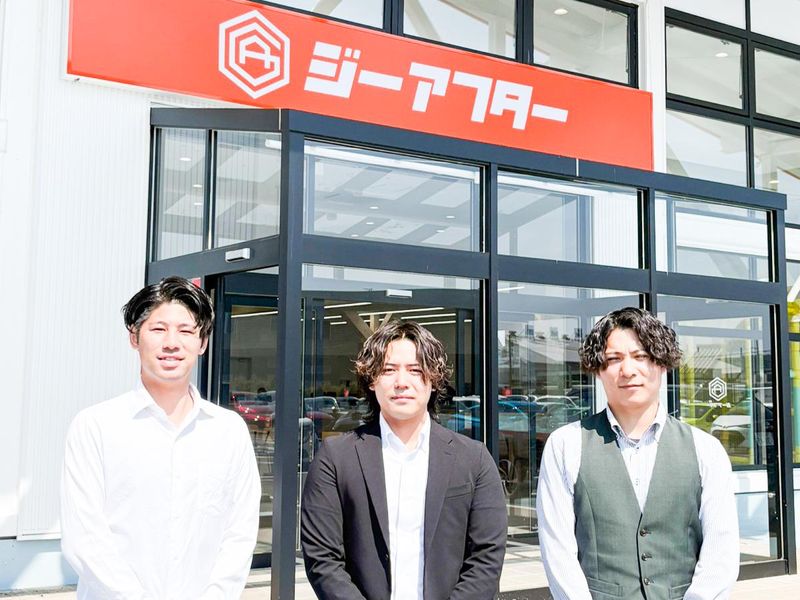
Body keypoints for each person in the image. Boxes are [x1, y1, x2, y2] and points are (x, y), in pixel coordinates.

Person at [61, 276, 261, 600]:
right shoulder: (96, 426)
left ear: (202, 343)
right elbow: (84, 538)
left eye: (186, 331)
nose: (172, 343)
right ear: (134, 337)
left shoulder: (228, 431)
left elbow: (239, 532)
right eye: (158, 329)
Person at [537, 307, 739, 600]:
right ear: (598, 370)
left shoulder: (705, 450)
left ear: (662, 363)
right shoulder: (566, 445)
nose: (628, 370)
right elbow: (557, 550)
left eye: (640, 356)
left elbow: (721, 551)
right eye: (613, 359)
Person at [301, 320, 507, 600]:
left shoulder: (474, 458)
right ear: (372, 380)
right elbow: (322, 559)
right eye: (388, 370)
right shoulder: (335, 458)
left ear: (433, 379)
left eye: (415, 370)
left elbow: (486, 559)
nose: (401, 382)